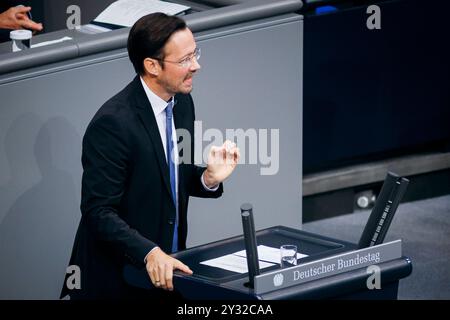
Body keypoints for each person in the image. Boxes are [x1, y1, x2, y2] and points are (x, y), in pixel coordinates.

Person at [61, 12, 240, 300]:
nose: (196, 66)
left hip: (165, 273)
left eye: (195, 54)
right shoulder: (113, 124)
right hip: (116, 280)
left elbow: (166, 176)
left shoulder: (182, 104)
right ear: (152, 66)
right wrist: (149, 252)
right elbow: (98, 212)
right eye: (184, 60)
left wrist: (207, 178)